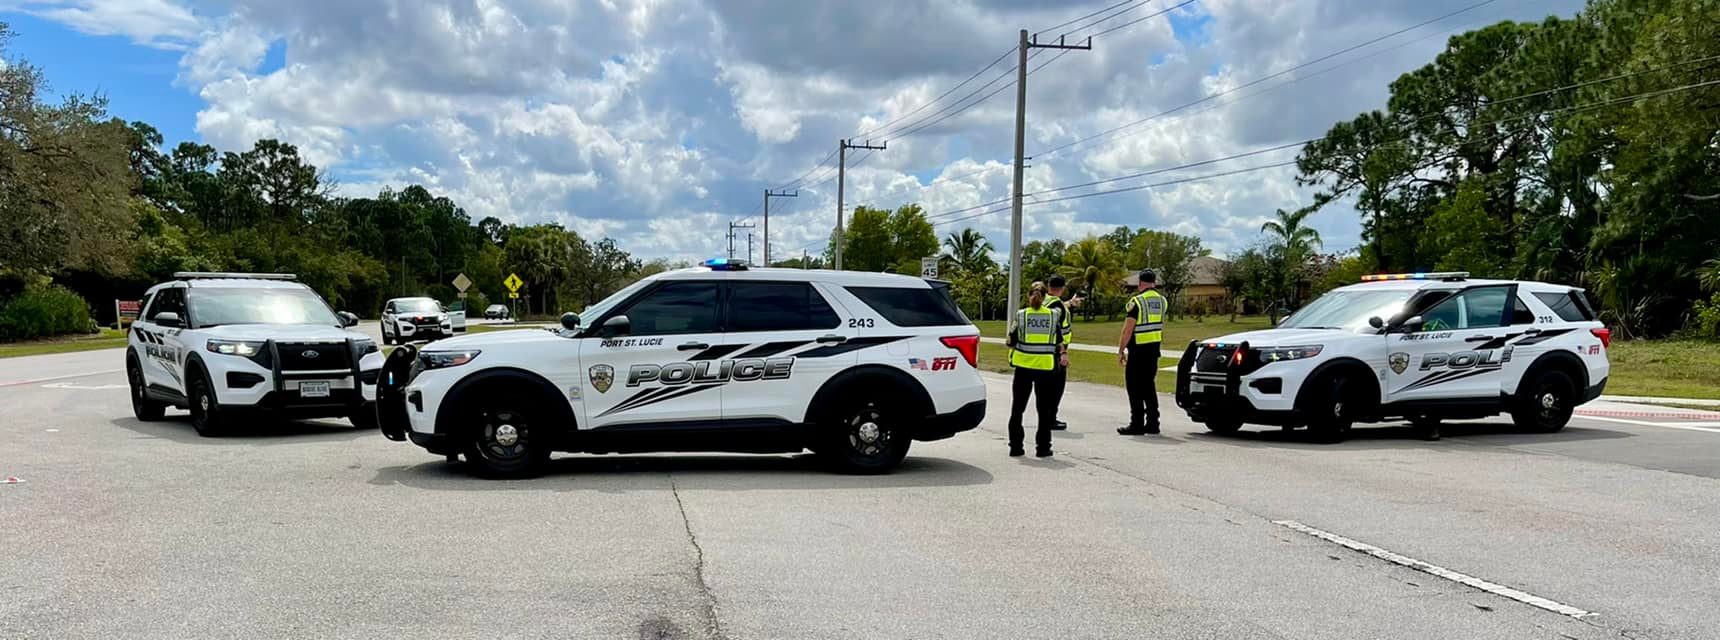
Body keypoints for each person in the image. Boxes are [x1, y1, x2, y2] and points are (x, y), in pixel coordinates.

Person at [1005, 282, 1069, 457]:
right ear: (1045, 296)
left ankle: (1016, 447)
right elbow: (1059, 341)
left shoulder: (1022, 315)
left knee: (1018, 409)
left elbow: (1010, 340)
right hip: (1045, 368)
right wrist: (1063, 354)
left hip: (1023, 368)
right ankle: (1043, 447)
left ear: (1029, 296)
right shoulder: (1053, 315)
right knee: (1044, 411)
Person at [1117, 269, 1166, 435]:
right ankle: (1153, 423)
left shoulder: (1137, 301)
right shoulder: (1162, 301)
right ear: (1154, 282)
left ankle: (1136, 423)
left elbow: (1128, 330)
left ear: (1140, 283)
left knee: (1134, 388)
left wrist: (1121, 350)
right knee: (1149, 386)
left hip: (1138, 351)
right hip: (1154, 350)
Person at [1044, 275, 1081, 431]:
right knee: (1055, 388)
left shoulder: (1045, 301)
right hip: (1056, 350)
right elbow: (1057, 328)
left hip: (1044, 350)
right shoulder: (1057, 305)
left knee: (1046, 387)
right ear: (1063, 288)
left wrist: (1070, 304)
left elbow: (1057, 308)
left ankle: (1047, 417)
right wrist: (1063, 352)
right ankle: (1050, 419)